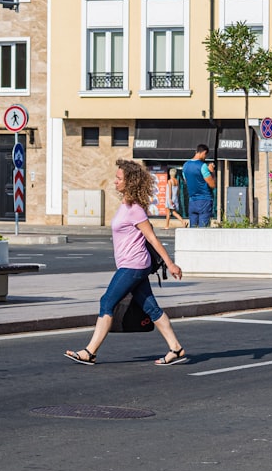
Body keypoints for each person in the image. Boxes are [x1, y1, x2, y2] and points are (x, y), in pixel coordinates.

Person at [65, 159, 189, 367]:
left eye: (119, 178)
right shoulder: (126, 205)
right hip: (132, 265)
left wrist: (170, 263)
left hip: (134, 265)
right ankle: (176, 348)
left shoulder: (135, 210)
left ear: (130, 182)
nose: (115, 181)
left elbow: (152, 238)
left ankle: (90, 352)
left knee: (107, 302)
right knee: (151, 308)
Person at [182, 144, 216, 227]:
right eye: (205, 155)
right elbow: (212, 185)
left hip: (192, 201)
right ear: (204, 152)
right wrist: (212, 172)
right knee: (202, 229)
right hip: (204, 200)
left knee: (193, 228)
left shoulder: (185, 165)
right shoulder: (202, 166)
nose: (205, 158)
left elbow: (186, 181)